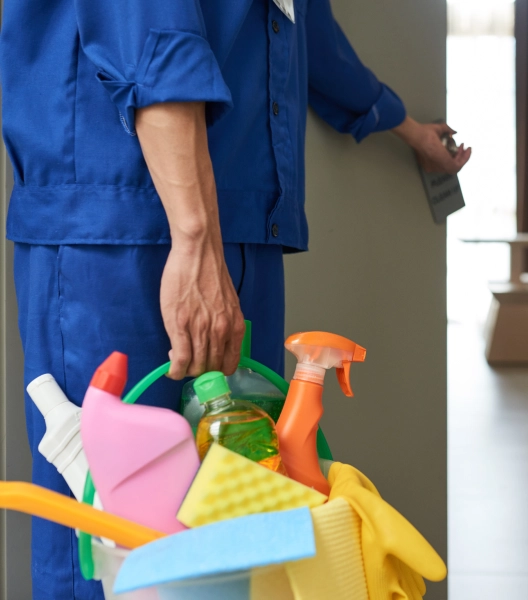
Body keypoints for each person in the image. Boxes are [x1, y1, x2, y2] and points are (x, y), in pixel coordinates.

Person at [0, 0, 471, 597]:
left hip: (241, 228)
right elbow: (150, 27)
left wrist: (405, 126)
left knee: (237, 529)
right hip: (123, 228)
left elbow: (306, 33)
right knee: (109, 538)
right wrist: (194, 237)